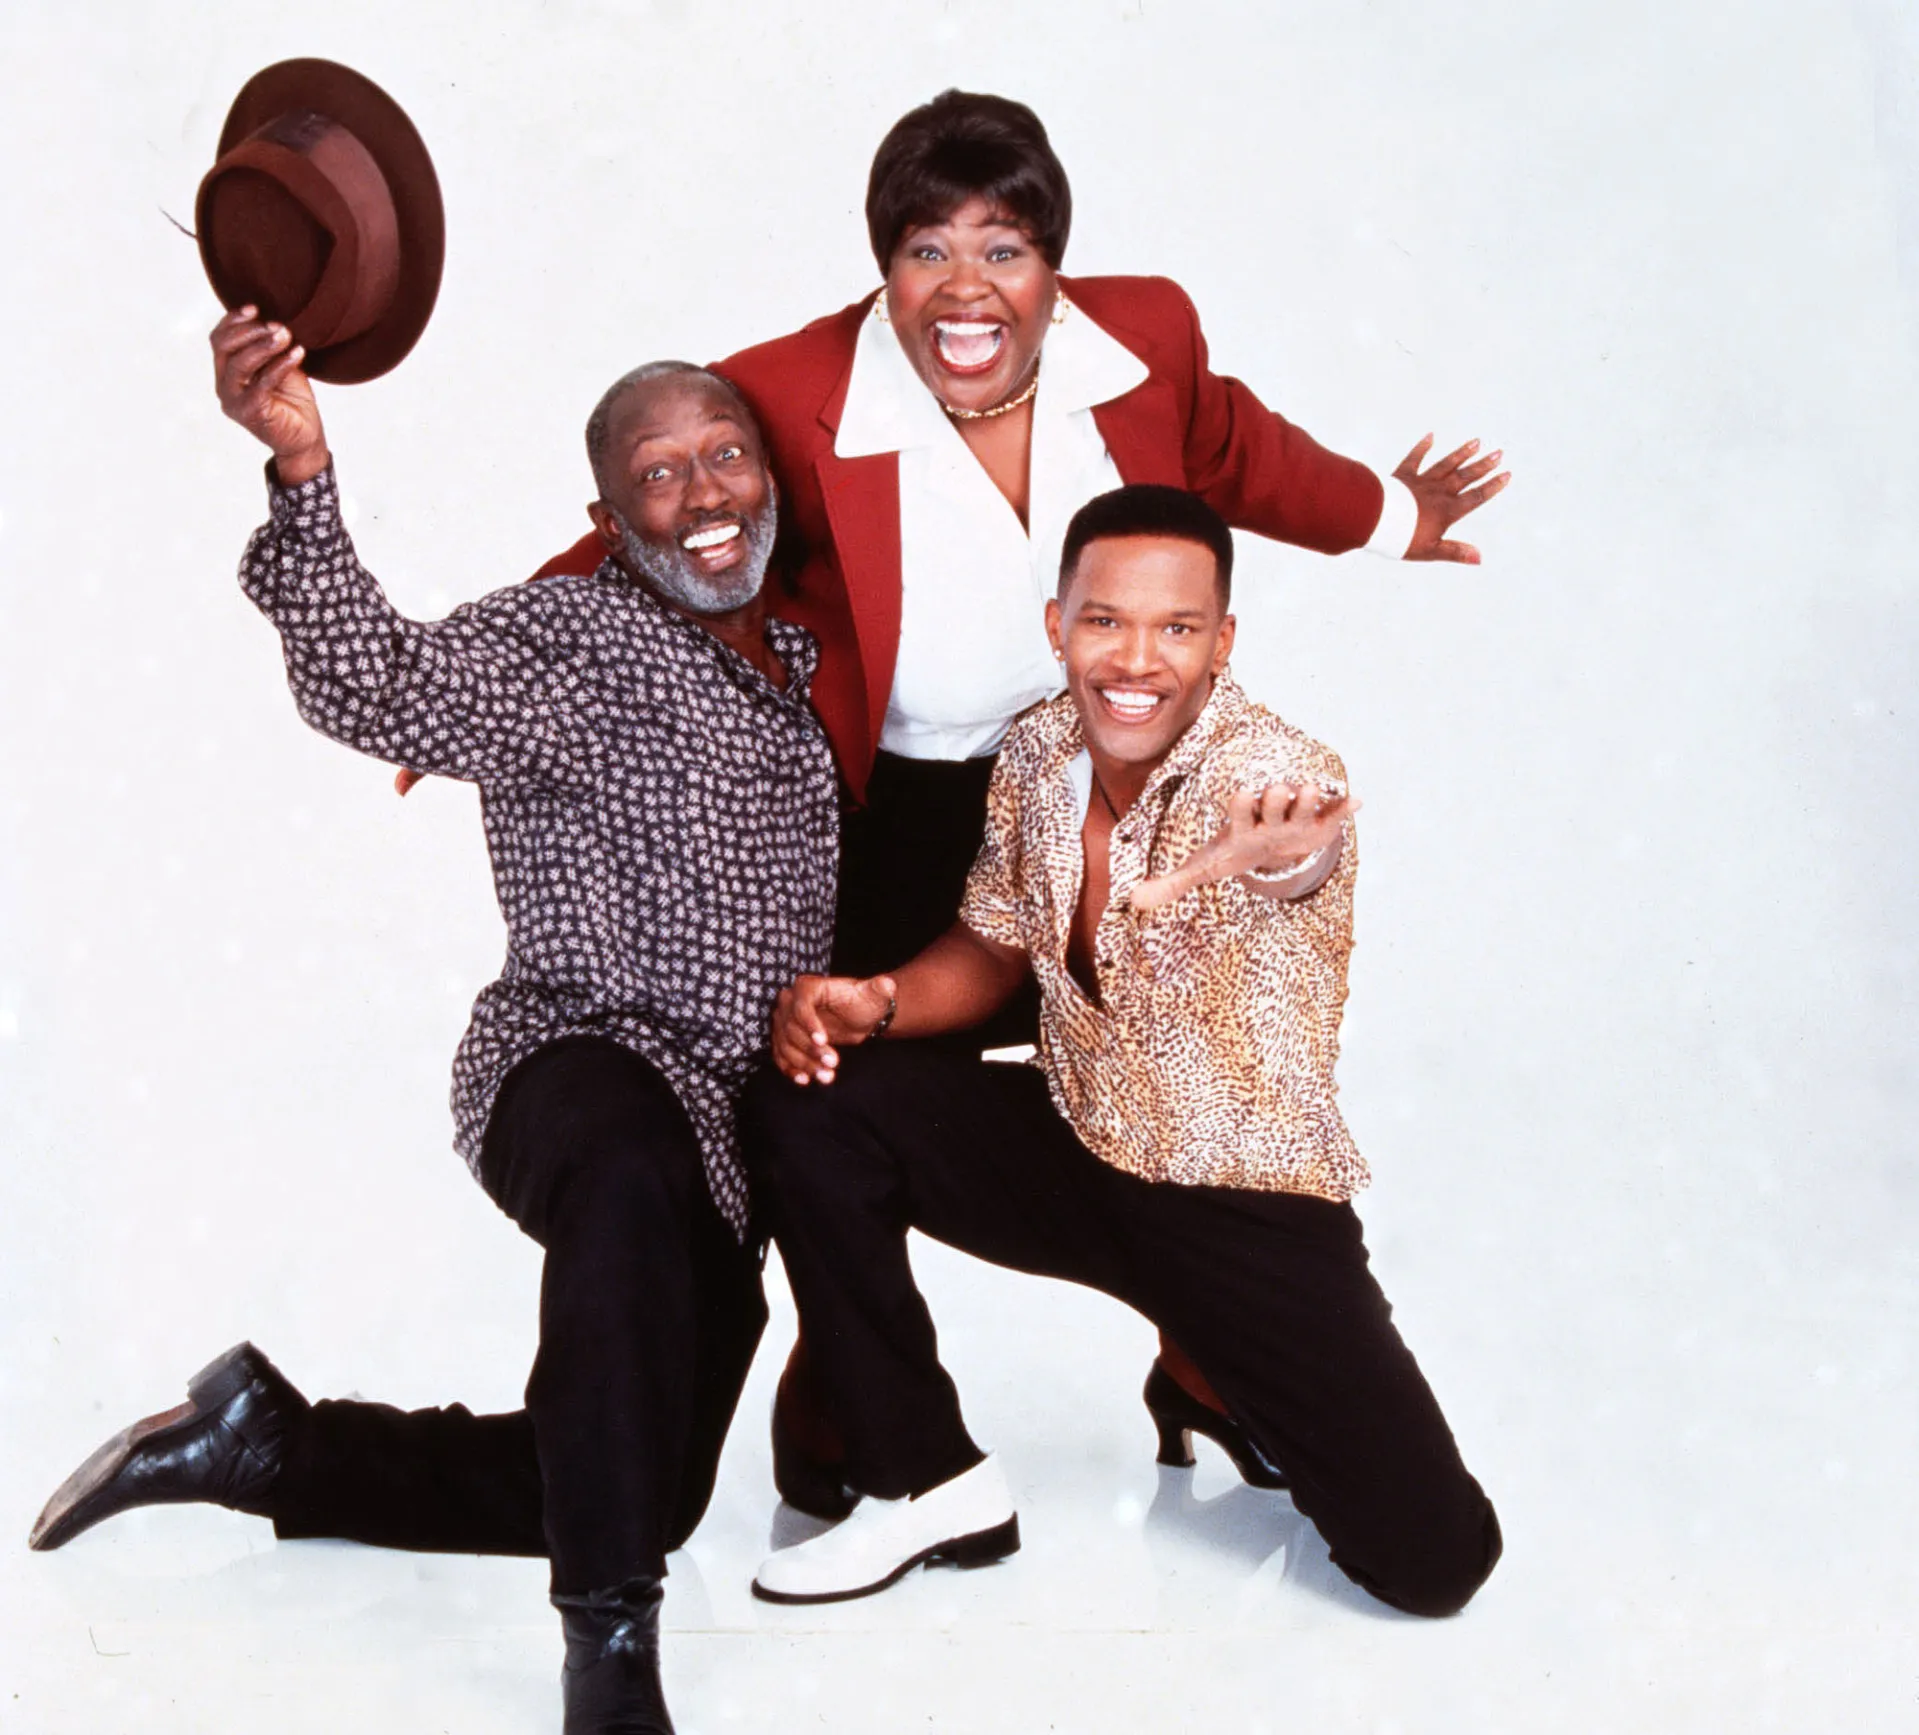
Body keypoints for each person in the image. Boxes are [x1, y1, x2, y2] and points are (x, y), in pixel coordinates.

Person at [505, 89, 1513, 1518]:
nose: (965, 286)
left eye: (1002, 247)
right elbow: (656, 512)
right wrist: (500, 676)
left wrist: (1393, 516)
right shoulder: (791, 388)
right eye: (927, 250)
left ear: (1051, 262)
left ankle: (1202, 1360)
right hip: (900, 814)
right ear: (883, 268)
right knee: (831, 1093)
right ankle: (852, 1382)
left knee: (1169, 1064)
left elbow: (1234, 450)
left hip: (1107, 778)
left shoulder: (1142, 338)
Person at [28, 312, 841, 1735]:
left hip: (728, 1143)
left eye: (725, 455)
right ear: (608, 519)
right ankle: (608, 1658)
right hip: (575, 1063)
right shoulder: (569, 637)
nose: (704, 492)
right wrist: (302, 468)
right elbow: (376, 678)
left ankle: (267, 1443)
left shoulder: (806, 664)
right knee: (626, 1168)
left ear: (768, 475)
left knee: (644, 1482)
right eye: (659, 474)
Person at [741, 484, 1502, 1619]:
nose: (1136, 659)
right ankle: (923, 1475)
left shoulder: (1272, 770)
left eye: (1176, 627)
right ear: (1058, 625)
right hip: (1079, 1147)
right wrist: (880, 1001)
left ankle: (1205, 1375)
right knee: (811, 1098)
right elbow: (993, 943)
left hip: (1238, 1205)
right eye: (1105, 620)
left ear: (1221, 641)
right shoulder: (1038, 747)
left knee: (1434, 1562)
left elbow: (1294, 853)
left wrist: (1279, 857)